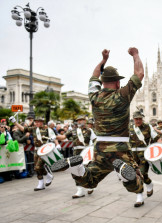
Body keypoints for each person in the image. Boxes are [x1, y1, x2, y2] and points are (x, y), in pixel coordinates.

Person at [50, 47, 145, 199]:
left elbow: (94, 76)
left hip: (100, 149)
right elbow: (139, 74)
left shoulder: (94, 96)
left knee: (89, 181)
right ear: (118, 83)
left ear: (102, 82)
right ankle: (126, 175)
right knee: (137, 184)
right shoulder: (122, 95)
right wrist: (135, 54)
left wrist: (103, 60)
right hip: (120, 150)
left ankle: (77, 168)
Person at [9, 116, 55, 191]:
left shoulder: (47, 129)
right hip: (36, 150)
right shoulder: (34, 129)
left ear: (42, 122)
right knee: (36, 168)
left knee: (38, 166)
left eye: (38, 121)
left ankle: (48, 176)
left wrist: (53, 140)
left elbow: (53, 136)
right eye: (35, 121)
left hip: (44, 150)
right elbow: (23, 129)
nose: (36, 123)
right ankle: (41, 183)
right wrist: (15, 122)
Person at [56, 115, 94, 198]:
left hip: (86, 152)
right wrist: (55, 137)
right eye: (79, 120)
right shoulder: (73, 131)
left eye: (82, 120)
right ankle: (80, 190)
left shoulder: (89, 130)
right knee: (75, 171)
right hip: (76, 153)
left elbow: (95, 140)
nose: (80, 121)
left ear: (85, 121)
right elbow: (63, 137)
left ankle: (90, 185)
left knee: (86, 170)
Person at [129, 110, 161, 207]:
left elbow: (157, 138)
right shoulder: (130, 128)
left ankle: (139, 198)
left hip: (145, 155)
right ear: (134, 119)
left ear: (142, 119)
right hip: (133, 156)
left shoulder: (148, 127)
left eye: (140, 119)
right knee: (136, 176)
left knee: (140, 174)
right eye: (136, 119)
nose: (138, 121)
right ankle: (149, 183)